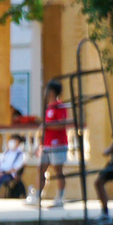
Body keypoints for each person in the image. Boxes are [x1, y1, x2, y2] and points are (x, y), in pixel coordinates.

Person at [36, 78, 70, 209]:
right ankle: (38, 195)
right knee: (41, 169)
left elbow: (62, 124)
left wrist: (47, 125)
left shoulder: (59, 106)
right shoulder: (48, 107)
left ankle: (60, 197)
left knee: (58, 170)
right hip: (47, 144)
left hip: (58, 143)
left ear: (52, 91)